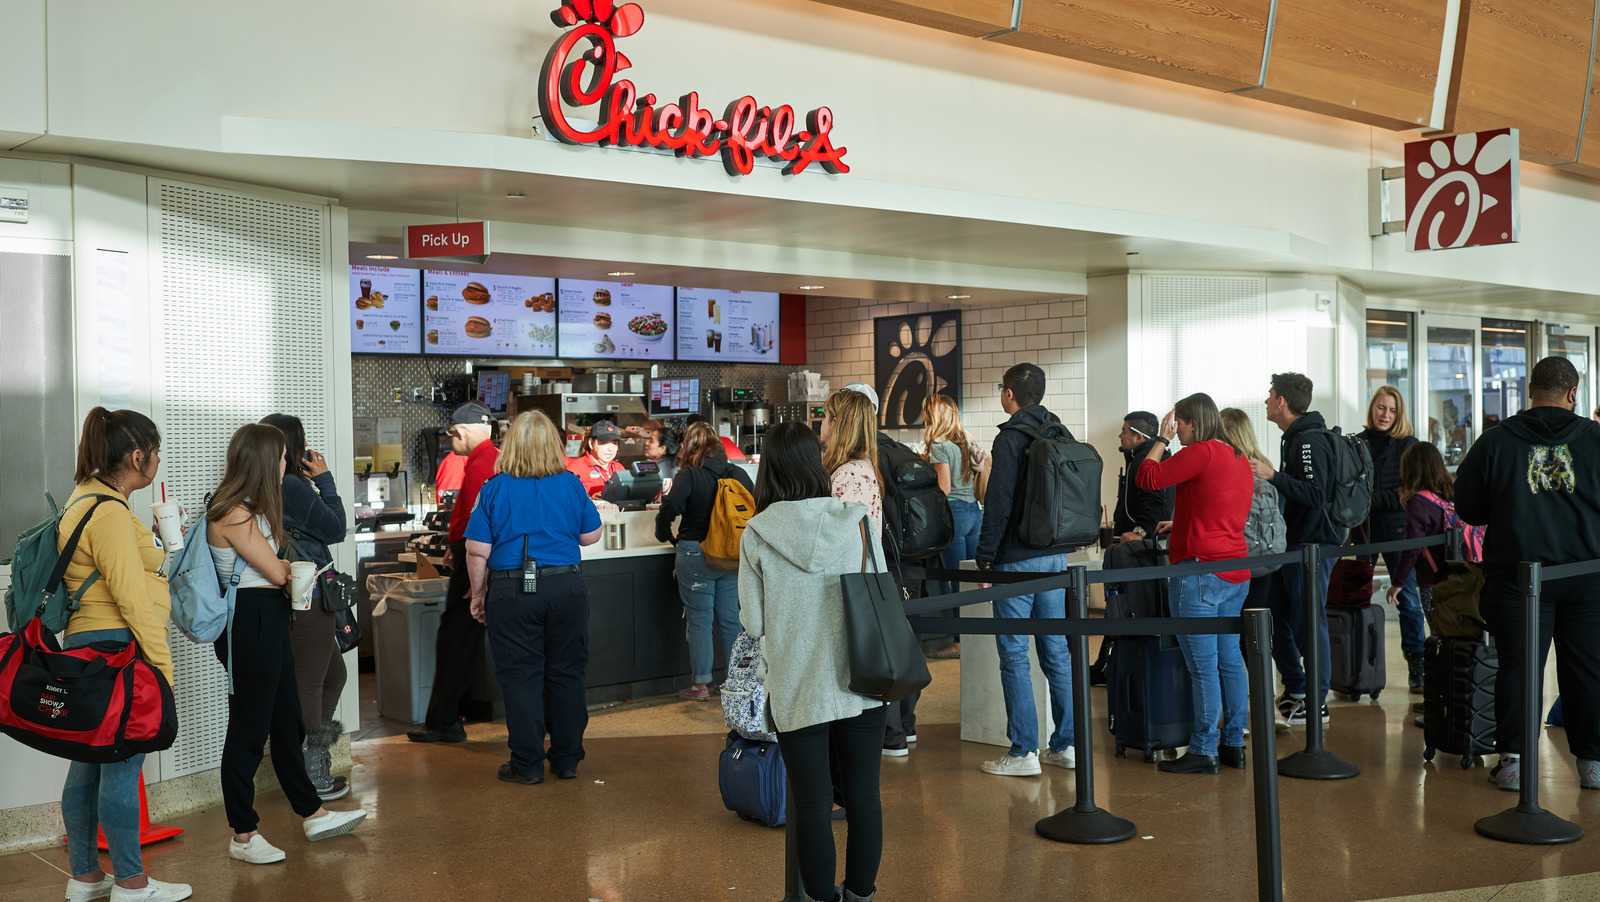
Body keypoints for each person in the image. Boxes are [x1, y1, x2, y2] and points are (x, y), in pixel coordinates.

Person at [738, 421, 887, 902]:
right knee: (864, 797)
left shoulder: (758, 532)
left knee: (813, 802)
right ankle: (860, 895)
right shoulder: (858, 518)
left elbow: (755, 622)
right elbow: (880, 586)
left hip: (798, 683)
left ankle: (820, 898)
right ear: (815, 464)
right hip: (863, 676)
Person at [208, 423, 366, 866]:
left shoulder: (254, 509)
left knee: (287, 720)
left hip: (269, 619)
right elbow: (278, 573)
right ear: (263, 461)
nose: (286, 465)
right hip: (249, 623)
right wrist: (285, 566)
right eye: (280, 458)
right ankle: (243, 834)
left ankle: (312, 812)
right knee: (248, 729)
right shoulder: (232, 512)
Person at [58, 408, 192, 902]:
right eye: (155, 452)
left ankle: (87, 877)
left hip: (89, 647)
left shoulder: (86, 500)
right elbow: (131, 596)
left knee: (88, 762)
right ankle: (132, 883)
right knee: (121, 762)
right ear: (138, 456)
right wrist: (161, 666)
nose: (158, 460)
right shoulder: (110, 514)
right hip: (115, 648)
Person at [1454, 356, 1600, 793]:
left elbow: (1469, 508)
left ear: (1530, 390)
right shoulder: (1596, 440)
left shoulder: (1495, 441)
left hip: (1519, 578)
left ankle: (1514, 762)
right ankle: (1593, 764)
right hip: (1587, 577)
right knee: (1588, 669)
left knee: (1519, 667)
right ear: (1573, 393)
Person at [464, 410, 603, 784]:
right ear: (553, 446)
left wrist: (478, 595)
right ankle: (567, 758)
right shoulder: (571, 484)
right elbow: (591, 536)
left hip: (512, 590)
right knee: (567, 673)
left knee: (521, 676)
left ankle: (526, 765)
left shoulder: (493, 488)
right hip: (567, 588)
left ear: (510, 446)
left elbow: (477, 550)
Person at [1134, 394, 1254, 774]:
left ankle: (1204, 750)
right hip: (1235, 571)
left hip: (1199, 573)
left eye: (1180, 424)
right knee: (1230, 660)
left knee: (1202, 668)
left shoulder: (1198, 451)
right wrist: (1182, 523)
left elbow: (1147, 478)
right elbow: (1220, 506)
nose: (1179, 430)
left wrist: (1161, 439)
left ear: (1193, 422)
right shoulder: (1237, 457)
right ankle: (1234, 743)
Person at [974, 362, 1077, 777]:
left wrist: (985, 555)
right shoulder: (1059, 431)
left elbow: (998, 503)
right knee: (1056, 650)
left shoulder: (1011, 438)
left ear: (1009, 394)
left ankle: (1023, 752)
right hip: (1057, 554)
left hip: (1017, 558)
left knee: (1014, 653)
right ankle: (1066, 744)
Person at [260, 413, 349, 802]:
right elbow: (335, 529)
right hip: (308, 595)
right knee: (313, 680)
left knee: (333, 675)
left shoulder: (263, 485)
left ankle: (310, 758)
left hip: (293, 593)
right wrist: (325, 480)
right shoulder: (291, 486)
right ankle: (312, 773)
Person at [1250, 372, 1344, 729]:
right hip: (1298, 545)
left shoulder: (1307, 441)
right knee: (1278, 612)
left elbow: (1316, 494)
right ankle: (1300, 691)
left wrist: (1273, 476)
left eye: (1270, 394)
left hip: (1314, 544)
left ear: (1282, 402)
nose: (1266, 401)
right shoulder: (1297, 437)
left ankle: (1317, 702)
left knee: (1309, 621)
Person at [410, 402, 500, 744]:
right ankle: (444, 718)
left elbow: (487, 525)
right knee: (457, 641)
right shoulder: (486, 460)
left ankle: (445, 721)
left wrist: (479, 577)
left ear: (460, 432)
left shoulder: (480, 466)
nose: (451, 442)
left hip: (475, 563)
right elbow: (473, 515)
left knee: (455, 642)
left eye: (452, 435)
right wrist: (453, 542)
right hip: (469, 557)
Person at [655, 421, 754, 701]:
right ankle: (736, 682)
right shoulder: (738, 473)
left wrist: (663, 530)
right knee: (730, 620)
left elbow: (671, 505)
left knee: (699, 621)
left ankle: (701, 685)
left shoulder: (690, 473)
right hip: (731, 557)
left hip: (696, 552)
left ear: (690, 445)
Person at [1357, 386, 1426, 691]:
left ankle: (1417, 663)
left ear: (1400, 414)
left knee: (1408, 600)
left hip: (1400, 532)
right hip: (1363, 531)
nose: (1386, 414)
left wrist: (1367, 501)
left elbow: (1406, 492)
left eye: (1392, 410)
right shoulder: (1356, 443)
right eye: (1381, 408)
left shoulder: (1409, 445)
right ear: (1372, 408)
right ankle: (1357, 668)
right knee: (1355, 599)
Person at [921, 393, 981, 661]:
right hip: (974, 513)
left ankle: (957, 641)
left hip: (954, 514)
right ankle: (975, 635)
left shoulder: (938, 444)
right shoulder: (965, 439)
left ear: (931, 416)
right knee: (973, 579)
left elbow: (944, 487)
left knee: (956, 582)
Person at [1219, 407, 1283, 611]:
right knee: (1255, 628)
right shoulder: (1265, 467)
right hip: (1265, 561)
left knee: (1230, 628)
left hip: (1234, 563)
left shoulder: (1224, 470)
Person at [1387, 442, 1457, 628]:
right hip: (1460, 575)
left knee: (1439, 634)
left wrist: (1398, 583)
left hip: (1433, 580)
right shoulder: (1450, 494)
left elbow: (1412, 546)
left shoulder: (1419, 502)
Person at [822, 387, 883, 533]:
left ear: (834, 423)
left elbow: (830, 532)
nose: (822, 422)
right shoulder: (862, 465)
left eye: (825, 416)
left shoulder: (848, 474)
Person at [1115, 410, 1174, 542]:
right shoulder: (1161, 457)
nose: (1120, 435)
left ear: (1139, 438)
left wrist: (1139, 532)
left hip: (1140, 545)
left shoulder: (1144, 460)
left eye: (1124, 431)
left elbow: (1153, 499)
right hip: (1155, 541)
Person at [567, 419, 626, 497]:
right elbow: (567, 500)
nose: (610, 449)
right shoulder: (575, 468)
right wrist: (591, 501)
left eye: (614, 443)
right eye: (605, 443)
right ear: (591, 443)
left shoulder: (619, 467)